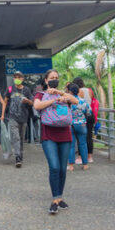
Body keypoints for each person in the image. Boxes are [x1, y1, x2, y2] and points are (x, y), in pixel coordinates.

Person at [34, 69, 78, 215]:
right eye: (52, 78)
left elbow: (76, 101)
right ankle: (54, 199)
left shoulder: (63, 94)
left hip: (65, 134)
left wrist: (60, 94)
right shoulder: (40, 94)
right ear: (46, 80)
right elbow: (37, 106)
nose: (54, 79)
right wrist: (53, 100)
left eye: (56, 78)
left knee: (62, 169)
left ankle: (59, 198)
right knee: (54, 166)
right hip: (48, 135)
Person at [1, 71, 33, 168]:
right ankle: (17, 157)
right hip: (12, 117)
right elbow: (5, 102)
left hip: (23, 117)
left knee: (21, 138)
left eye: (19, 77)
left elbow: (32, 103)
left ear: (22, 79)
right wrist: (2, 115)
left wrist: (27, 101)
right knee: (16, 137)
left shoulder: (27, 90)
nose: (17, 79)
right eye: (15, 77)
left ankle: (20, 154)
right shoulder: (10, 89)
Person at [66, 83, 92, 171]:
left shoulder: (67, 101)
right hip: (82, 124)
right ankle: (85, 165)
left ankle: (71, 165)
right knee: (83, 144)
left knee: (71, 145)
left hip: (71, 125)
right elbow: (89, 112)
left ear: (70, 91)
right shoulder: (83, 101)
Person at [72, 77, 95, 163]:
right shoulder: (89, 90)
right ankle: (90, 157)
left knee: (80, 136)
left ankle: (80, 157)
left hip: (82, 114)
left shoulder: (79, 91)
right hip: (90, 113)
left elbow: (77, 102)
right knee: (89, 136)